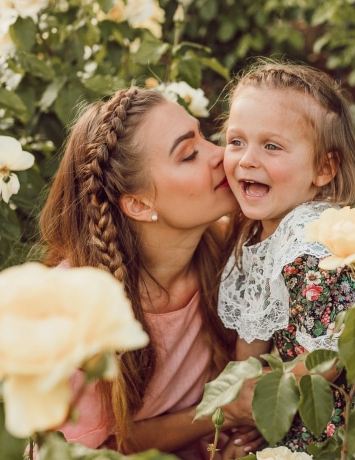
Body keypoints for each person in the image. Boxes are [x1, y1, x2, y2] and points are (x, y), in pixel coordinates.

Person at [39, 86, 260, 458]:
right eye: (189, 154)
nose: (220, 155)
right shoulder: (72, 309)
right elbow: (88, 452)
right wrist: (222, 410)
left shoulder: (232, 246)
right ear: (140, 204)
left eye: (205, 136)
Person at [218, 61, 355, 451]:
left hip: (342, 415)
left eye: (271, 146)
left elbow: (329, 359)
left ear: (324, 168)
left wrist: (265, 406)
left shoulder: (317, 240)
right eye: (236, 141)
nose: (247, 160)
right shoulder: (256, 232)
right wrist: (241, 401)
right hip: (295, 397)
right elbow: (251, 343)